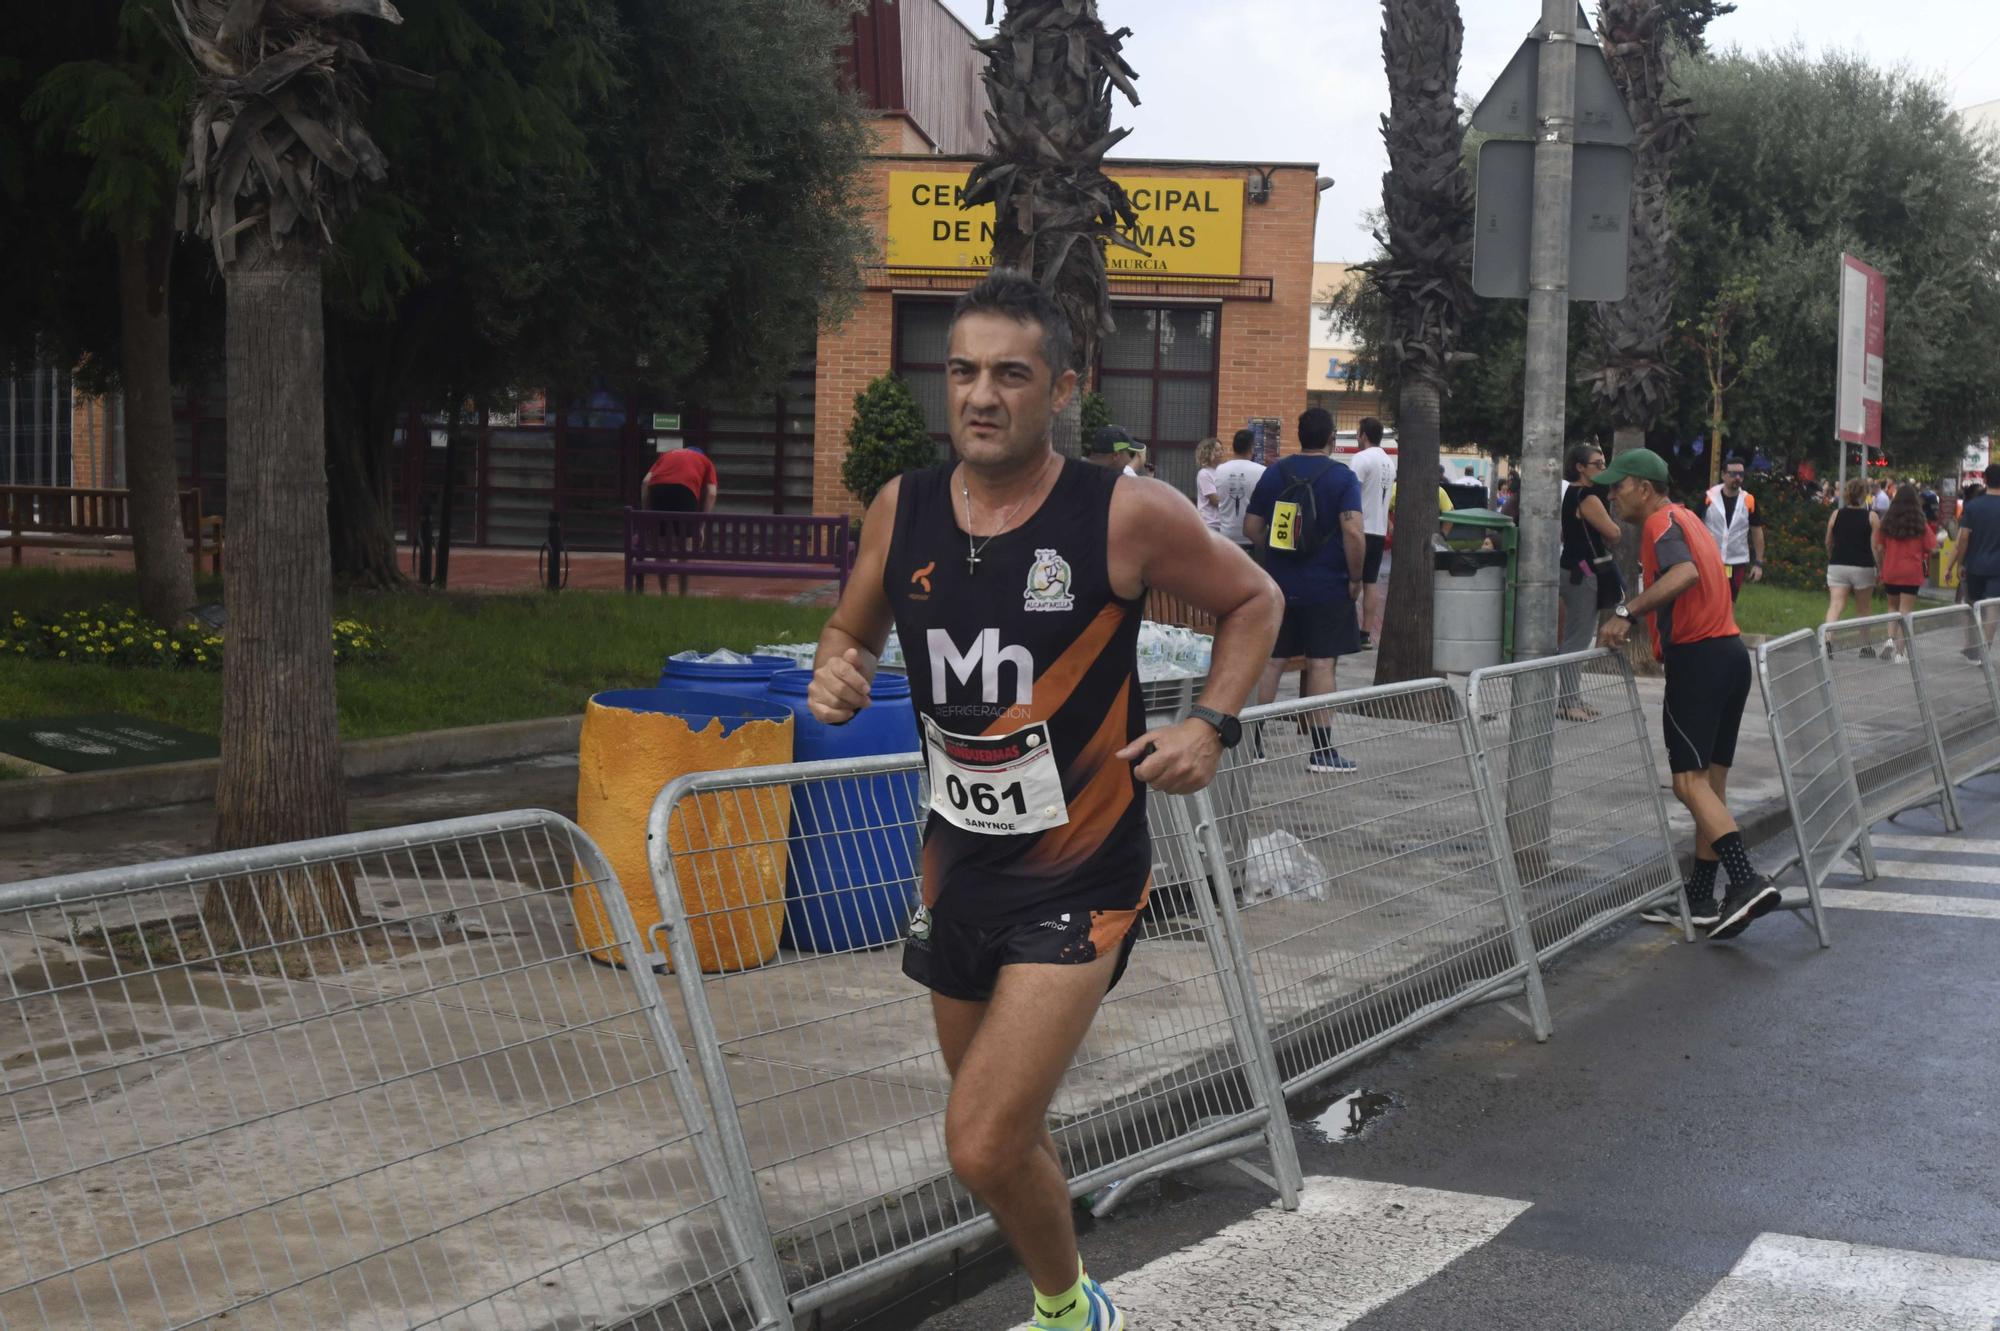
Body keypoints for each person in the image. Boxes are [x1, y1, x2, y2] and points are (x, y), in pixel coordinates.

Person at [805, 270, 1280, 1331]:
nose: (979, 394)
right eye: (961, 370)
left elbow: (1255, 597)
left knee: (975, 1137)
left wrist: (1211, 721)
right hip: (956, 865)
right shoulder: (905, 506)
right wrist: (836, 670)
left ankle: (1071, 1314)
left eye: (1009, 374)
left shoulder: (1120, 512)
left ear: (1059, 388)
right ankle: (1070, 1302)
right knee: (1002, 1130)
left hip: (1082, 871)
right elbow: (850, 633)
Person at [1594, 448, 1782, 939]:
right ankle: (1700, 898)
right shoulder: (1689, 520)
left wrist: (1627, 612)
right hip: (1729, 655)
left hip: (1698, 660)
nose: (1612, 494)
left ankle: (1745, 882)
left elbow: (1685, 576)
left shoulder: (1660, 524)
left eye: (1619, 485)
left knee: (1687, 784)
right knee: (1708, 787)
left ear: (1644, 486)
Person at [1243, 406, 1367, 772]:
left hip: (1279, 584)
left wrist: (1280, 548)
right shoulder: (1342, 478)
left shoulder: (1275, 473)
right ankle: (1322, 751)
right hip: (1327, 586)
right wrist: (1355, 577)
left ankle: (1252, 744)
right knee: (1321, 663)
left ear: (1299, 435)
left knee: (1273, 661)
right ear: (1331, 438)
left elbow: (1251, 527)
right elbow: (1354, 532)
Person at [1556, 444, 1622, 722]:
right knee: (1578, 638)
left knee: (1578, 635)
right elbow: (1614, 532)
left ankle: (1571, 697)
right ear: (1580, 467)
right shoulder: (1586, 497)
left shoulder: (1573, 494)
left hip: (1573, 569)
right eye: (1597, 464)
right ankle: (1568, 702)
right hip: (1583, 573)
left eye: (1604, 463)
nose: (1602, 468)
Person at [639, 443, 719, 592]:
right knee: (684, 549)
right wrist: (701, 526)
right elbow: (712, 493)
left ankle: (664, 593)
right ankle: (683, 595)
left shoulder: (666, 455)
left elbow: (645, 482)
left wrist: (647, 514)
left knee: (662, 549)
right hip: (685, 491)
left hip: (658, 489)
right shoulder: (705, 461)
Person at [1873, 484, 1936, 663]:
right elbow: (1931, 547)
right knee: (1905, 611)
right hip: (1911, 572)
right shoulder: (1919, 523)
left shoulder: (1887, 521)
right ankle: (1901, 653)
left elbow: (1878, 547)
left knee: (1892, 608)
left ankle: (1889, 640)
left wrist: (1882, 565)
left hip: (1891, 570)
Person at [1348, 417, 1393, 650]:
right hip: (1378, 529)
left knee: (1351, 579)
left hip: (1358, 528)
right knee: (1371, 582)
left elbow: (1350, 492)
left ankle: (1345, 629)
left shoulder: (1361, 459)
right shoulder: (1388, 461)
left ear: (1363, 435)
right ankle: (1365, 633)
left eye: (1358, 433)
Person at [1701, 457, 1765, 601]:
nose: (1737, 478)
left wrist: (1758, 563)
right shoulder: (1709, 497)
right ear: (1723, 475)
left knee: (1729, 600)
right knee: (1709, 599)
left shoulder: (1748, 500)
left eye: (1741, 475)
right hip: (1711, 560)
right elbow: (1694, 525)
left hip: (1735, 562)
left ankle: (1727, 623)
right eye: (1733, 474)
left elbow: (1757, 532)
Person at [1823, 477, 1880, 626]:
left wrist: (1832, 557)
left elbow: (1828, 541)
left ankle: (1826, 645)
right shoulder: (1872, 517)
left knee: (1835, 606)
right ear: (1864, 495)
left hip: (1838, 565)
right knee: (1863, 610)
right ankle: (1865, 649)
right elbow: (1876, 547)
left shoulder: (1836, 514)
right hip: (1863, 566)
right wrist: (1881, 568)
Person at [1213, 428, 1266, 557]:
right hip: (1253, 537)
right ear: (1251, 448)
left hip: (1227, 536)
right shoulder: (1262, 471)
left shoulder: (1220, 470)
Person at [1193, 437, 1226, 534]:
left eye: (1221, 449)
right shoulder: (1204, 474)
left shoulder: (1222, 471)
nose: (1221, 453)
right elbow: (1215, 500)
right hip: (1210, 524)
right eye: (1217, 450)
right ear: (1208, 453)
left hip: (1222, 524)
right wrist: (1230, 502)